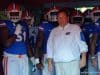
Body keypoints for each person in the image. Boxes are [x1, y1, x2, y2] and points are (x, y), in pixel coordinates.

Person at [0, 3, 37, 75]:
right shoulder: (4, 24)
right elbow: (6, 44)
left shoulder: (24, 24)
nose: (14, 16)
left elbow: (27, 43)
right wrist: (16, 33)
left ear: (20, 13)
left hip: (24, 57)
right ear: (7, 14)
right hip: (11, 58)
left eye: (16, 13)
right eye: (12, 13)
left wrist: (32, 58)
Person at [47, 10, 88, 75]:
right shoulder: (53, 31)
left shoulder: (75, 28)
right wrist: (49, 62)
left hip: (73, 62)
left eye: (63, 17)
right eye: (59, 18)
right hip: (58, 63)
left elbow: (82, 43)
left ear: (67, 18)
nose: (61, 19)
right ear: (57, 19)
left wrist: (83, 58)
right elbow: (49, 47)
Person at [22, 10, 42, 75]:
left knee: (35, 71)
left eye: (29, 19)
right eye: (25, 20)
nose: (27, 22)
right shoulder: (21, 29)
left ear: (32, 19)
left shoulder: (38, 28)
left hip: (35, 52)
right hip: (26, 53)